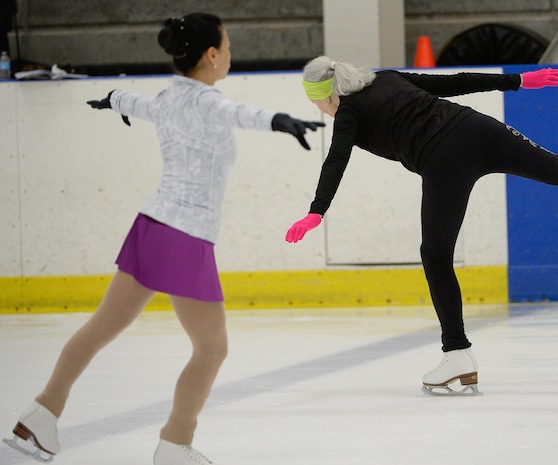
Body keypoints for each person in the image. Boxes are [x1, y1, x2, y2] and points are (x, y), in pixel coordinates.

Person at [4, 12, 323, 465]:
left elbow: (136, 102)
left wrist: (112, 98)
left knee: (101, 327)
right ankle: (175, 444)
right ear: (211, 56)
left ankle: (39, 415)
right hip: (185, 236)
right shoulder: (208, 103)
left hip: (151, 226)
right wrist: (280, 121)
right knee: (212, 348)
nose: (231, 54)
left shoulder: (169, 98)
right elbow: (239, 113)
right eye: (227, 47)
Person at [285, 55, 558, 396]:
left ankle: (457, 354)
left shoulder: (348, 113)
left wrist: (316, 211)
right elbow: (457, 83)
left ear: (326, 96)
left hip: (443, 160)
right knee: (555, 167)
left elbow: (335, 160)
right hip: (477, 127)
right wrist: (520, 81)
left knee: (435, 255)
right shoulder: (388, 77)